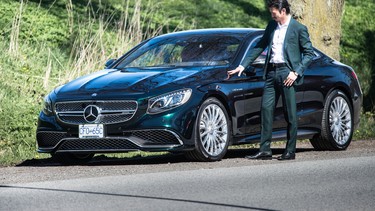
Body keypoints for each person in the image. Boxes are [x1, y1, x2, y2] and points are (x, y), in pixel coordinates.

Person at [227, 0, 314, 160]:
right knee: (266, 110)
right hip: (271, 73)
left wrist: (296, 72)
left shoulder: (298, 29)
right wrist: (243, 65)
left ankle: (290, 150)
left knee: (290, 113)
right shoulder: (271, 26)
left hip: (288, 74)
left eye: (274, 13)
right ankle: (265, 150)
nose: (272, 16)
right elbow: (260, 46)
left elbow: (309, 53)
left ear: (283, 11)